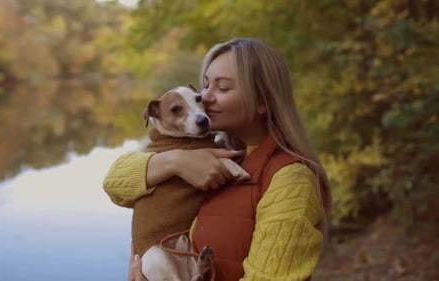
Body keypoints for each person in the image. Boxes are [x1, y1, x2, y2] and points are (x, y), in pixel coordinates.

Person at [103, 37, 331, 281]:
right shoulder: (209, 151)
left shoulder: (291, 180)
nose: (205, 98)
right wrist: (176, 162)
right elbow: (114, 184)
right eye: (205, 85)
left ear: (262, 102)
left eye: (222, 88)